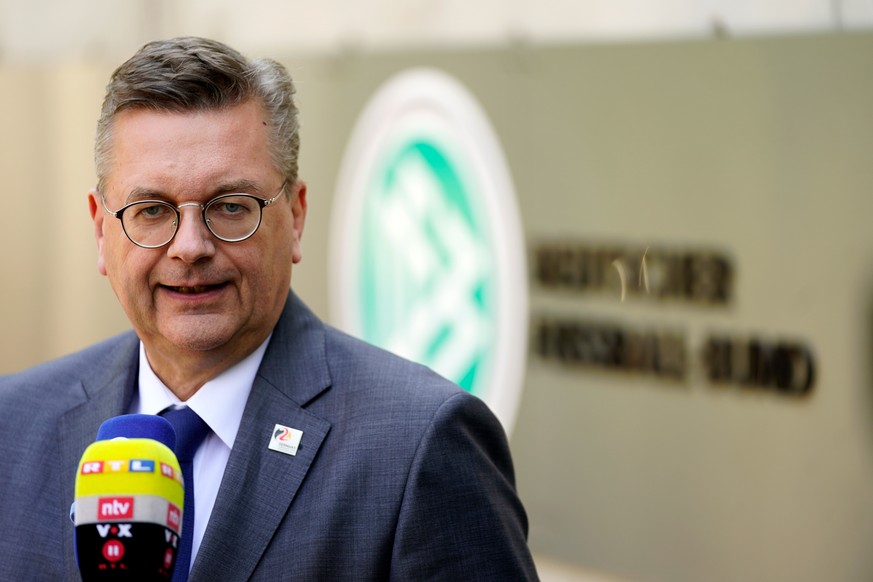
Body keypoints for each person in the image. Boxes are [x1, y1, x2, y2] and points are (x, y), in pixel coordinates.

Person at [0, 36, 538, 580]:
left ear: (296, 215)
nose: (190, 246)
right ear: (100, 229)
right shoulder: (13, 427)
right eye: (152, 210)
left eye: (232, 206)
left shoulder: (420, 445)